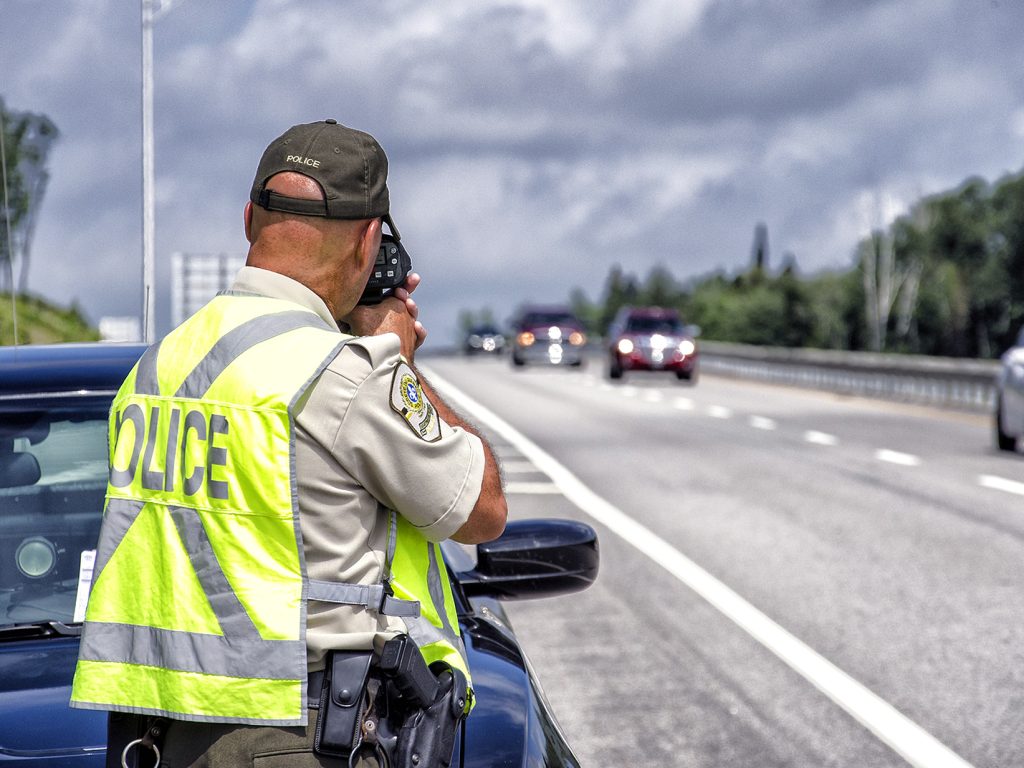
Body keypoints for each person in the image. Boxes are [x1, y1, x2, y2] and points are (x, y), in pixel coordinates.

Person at [70, 119, 508, 766]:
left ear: (249, 218)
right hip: (292, 733)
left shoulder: (158, 367)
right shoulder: (341, 374)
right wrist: (398, 360)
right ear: (368, 240)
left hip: (160, 734)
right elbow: (483, 511)